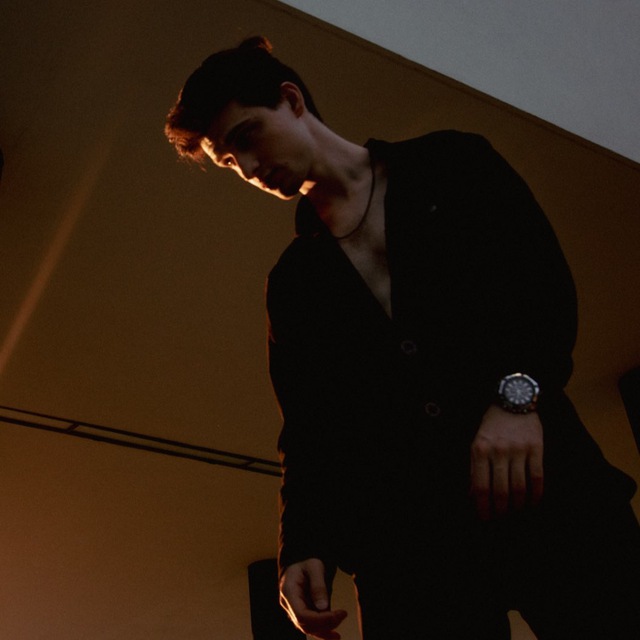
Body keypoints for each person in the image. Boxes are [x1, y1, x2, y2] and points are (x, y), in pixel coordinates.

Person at [165, 36, 640, 639]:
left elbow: (542, 293)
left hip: (548, 495)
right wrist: (303, 546)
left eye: (248, 136)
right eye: (232, 163)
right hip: (413, 554)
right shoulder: (294, 284)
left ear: (292, 99)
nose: (251, 169)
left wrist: (515, 401)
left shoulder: (454, 164)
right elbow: (311, 430)